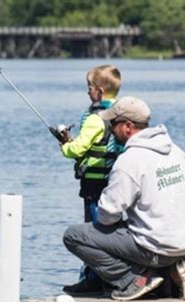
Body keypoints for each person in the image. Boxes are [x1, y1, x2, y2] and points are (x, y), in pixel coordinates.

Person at [62, 96, 185, 301]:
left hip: (154, 250)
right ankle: (169, 273)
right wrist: (171, 215)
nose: (110, 129)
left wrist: (122, 224)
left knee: (74, 235)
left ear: (128, 127)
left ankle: (132, 280)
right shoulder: (176, 151)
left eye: (113, 123)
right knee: (135, 230)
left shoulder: (129, 160)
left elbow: (107, 214)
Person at [59, 65, 124, 290]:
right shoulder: (120, 114)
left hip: (94, 184)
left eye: (89, 88)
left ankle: (95, 279)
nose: (87, 93)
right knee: (111, 229)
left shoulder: (96, 119)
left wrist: (64, 142)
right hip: (114, 182)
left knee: (93, 231)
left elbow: (76, 150)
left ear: (99, 92)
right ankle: (109, 275)